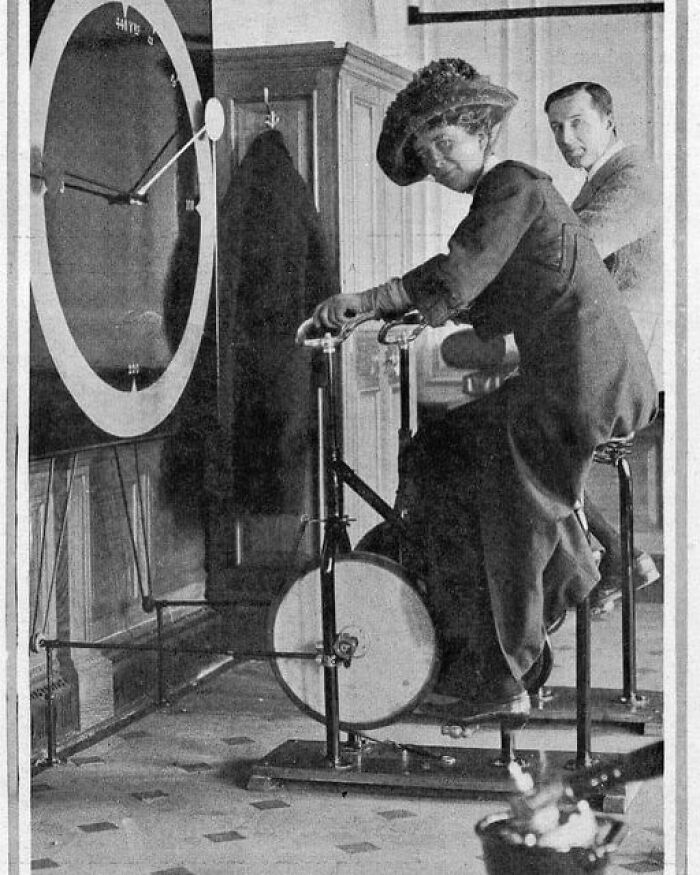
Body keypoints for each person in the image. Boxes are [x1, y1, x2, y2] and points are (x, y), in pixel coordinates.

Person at [309, 59, 657, 724]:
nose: (438, 162)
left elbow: (459, 274)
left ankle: (504, 674)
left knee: (492, 497)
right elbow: (484, 292)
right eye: (426, 153)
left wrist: (369, 300)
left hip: (583, 385)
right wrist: (399, 313)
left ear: (482, 135)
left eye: (447, 144)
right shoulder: (505, 199)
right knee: (439, 444)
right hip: (574, 379)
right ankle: (593, 565)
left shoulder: (514, 184)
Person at [545, 81, 662, 611]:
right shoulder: (602, 179)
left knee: (517, 444)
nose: (566, 139)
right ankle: (618, 554)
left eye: (577, 124)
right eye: (556, 128)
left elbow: (573, 253)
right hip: (600, 357)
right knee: (521, 441)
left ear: (608, 121)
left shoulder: (632, 177)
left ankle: (601, 560)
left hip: (619, 367)